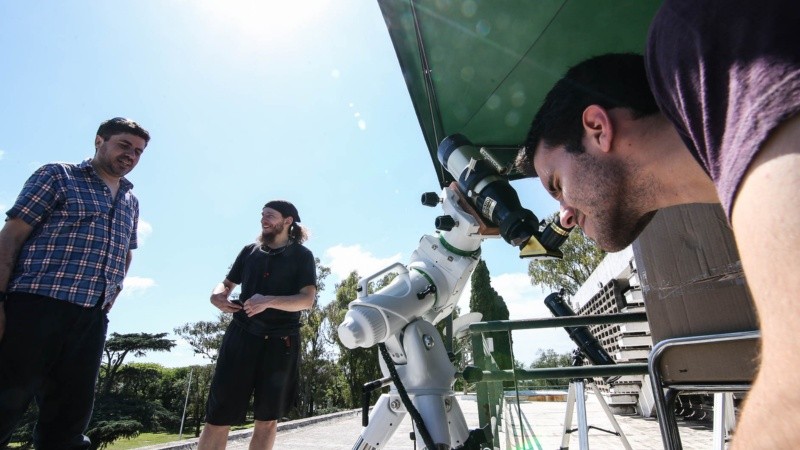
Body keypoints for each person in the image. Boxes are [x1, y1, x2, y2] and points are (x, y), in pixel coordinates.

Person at [515, 0, 800, 447]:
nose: (565, 215)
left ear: (597, 127)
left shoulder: (692, 38)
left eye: (556, 184)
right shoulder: (733, 191)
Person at [0, 117, 150, 449]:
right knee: (5, 405)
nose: (131, 155)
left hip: (90, 319)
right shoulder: (57, 175)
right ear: (99, 141)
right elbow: (11, 236)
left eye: (138, 151)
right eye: (124, 144)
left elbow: (126, 252)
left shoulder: (130, 200)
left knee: (67, 425)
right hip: (35, 308)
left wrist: (113, 291)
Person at [198, 200, 316, 450]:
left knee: (267, 420)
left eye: (270, 216)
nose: (264, 220)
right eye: (262, 215)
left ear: (287, 221)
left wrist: (269, 301)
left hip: (281, 344)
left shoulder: (302, 256)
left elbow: (307, 300)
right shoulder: (249, 251)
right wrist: (216, 295)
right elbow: (226, 283)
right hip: (241, 338)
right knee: (218, 416)